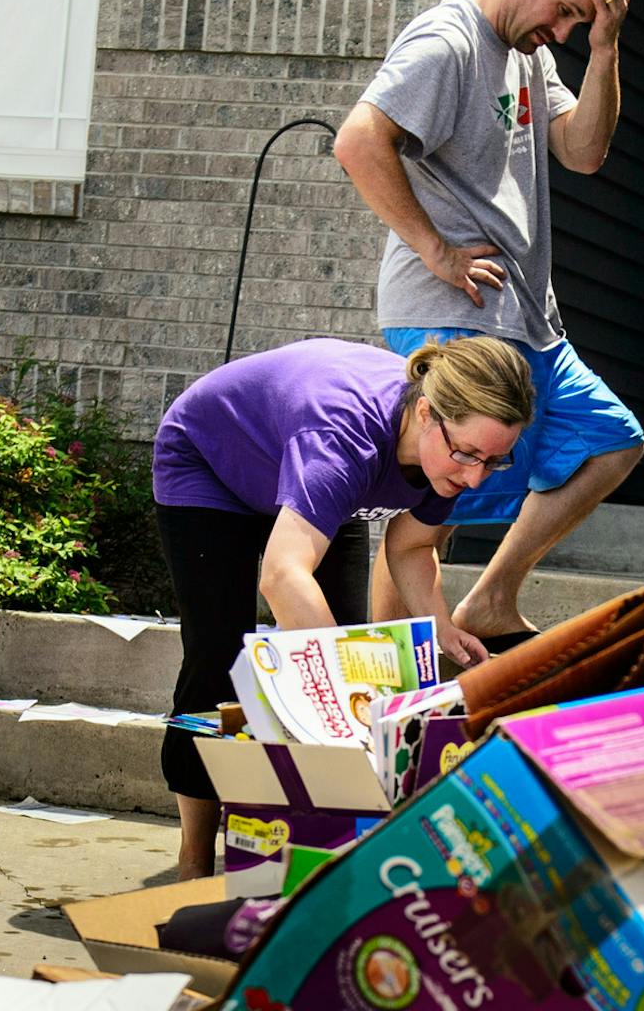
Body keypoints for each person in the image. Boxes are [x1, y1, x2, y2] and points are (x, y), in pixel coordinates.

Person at [335, 0, 644, 653]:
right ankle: (398, 681)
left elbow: (583, 149)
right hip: (453, 314)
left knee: (612, 441)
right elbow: (357, 140)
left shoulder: (525, 56)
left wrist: (606, 47)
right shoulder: (449, 43)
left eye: (580, 21)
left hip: (527, 320)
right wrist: (436, 251)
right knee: (425, 511)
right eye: (567, 11)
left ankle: (492, 597)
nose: (564, 30)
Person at [155, 335, 535, 879]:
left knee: (343, 652)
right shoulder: (343, 437)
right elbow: (283, 576)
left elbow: (409, 545)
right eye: (468, 455)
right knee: (220, 660)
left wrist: (442, 625)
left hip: (311, 479)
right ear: (425, 412)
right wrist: (332, 680)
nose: (475, 476)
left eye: (494, 461)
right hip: (212, 463)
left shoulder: (451, 454)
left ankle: (319, 844)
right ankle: (193, 858)